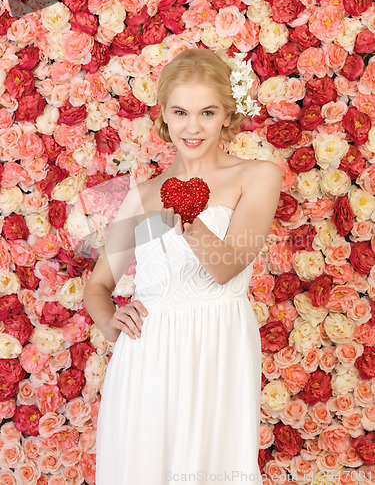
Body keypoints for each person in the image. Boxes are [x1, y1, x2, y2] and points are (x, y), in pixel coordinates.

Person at [84, 48, 282, 485]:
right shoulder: (140, 195)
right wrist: (111, 321)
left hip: (218, 346)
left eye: (207, 112)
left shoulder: (258, 175)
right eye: (181, 112)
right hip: (146, 356)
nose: (193, 127)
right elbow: (98, 285)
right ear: (165, 116)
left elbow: (227, 265)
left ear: (227, 116)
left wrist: (186, 215)